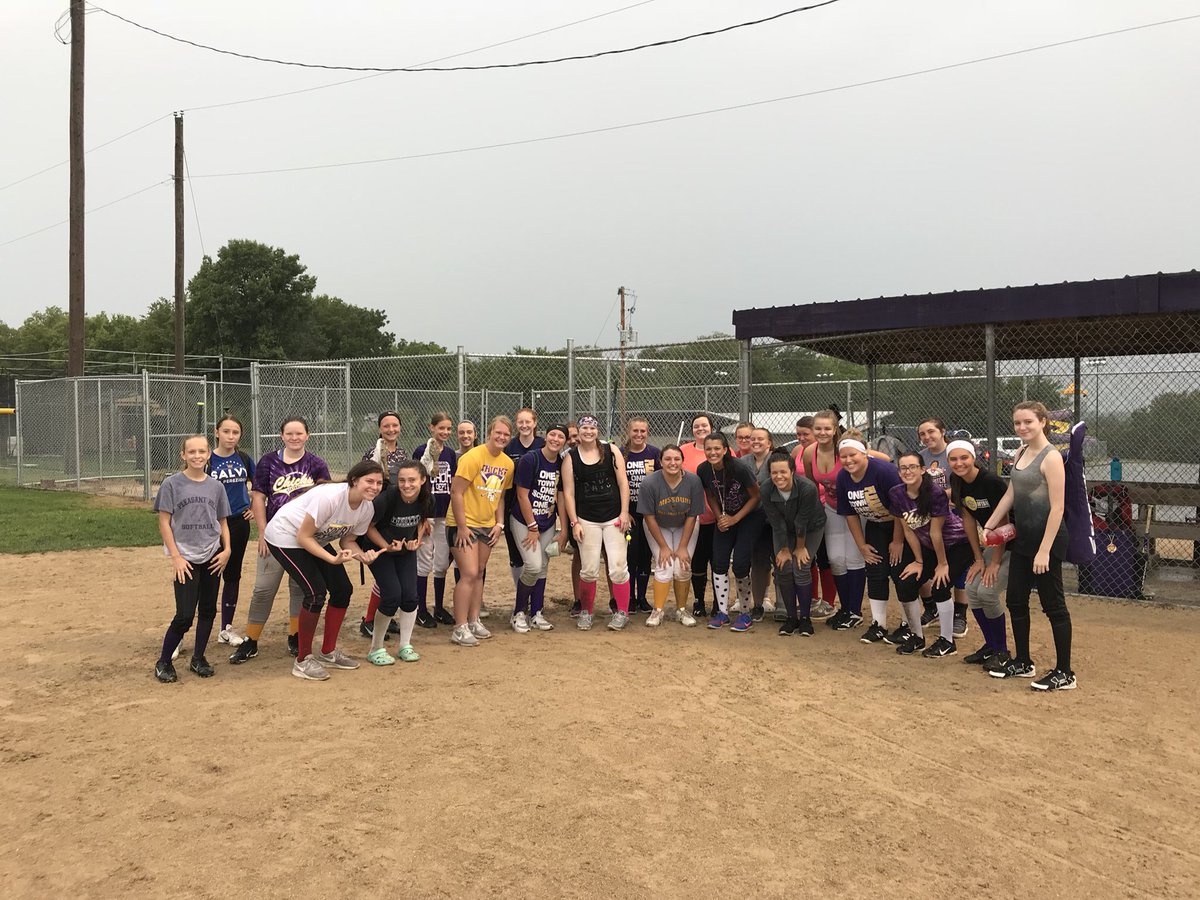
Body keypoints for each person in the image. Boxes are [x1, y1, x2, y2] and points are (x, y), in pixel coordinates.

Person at [264, 461, 389, 681]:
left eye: (379, 483)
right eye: (369, 481)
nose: (375, 487)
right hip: (285, 536)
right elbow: (303, 536)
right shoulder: (330, 497)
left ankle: (328, 652)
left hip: (315, 539)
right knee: (315, 593)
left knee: (342, 589)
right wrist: (332, 559)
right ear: (354, 480)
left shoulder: (366, 508)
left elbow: (348, 541)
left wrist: (363, 556)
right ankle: (302, 660)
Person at [983, 401, 1076, 691]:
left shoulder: (1051, 458)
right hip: (1023, 539)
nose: (1022, 428)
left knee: (1053, 605)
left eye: (1028, 422)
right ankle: (1023, 661)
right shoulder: (1021, 451)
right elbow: (1012, 492)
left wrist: (1045, 550)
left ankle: (1065, 673)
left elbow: (1058, 508)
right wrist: (990, 524)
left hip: (1047, 540)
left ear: (1043, 422)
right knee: (1015, 600)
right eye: (1017, 423)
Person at [230, 417, 330, 666]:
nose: (294, 438)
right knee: (264, 588)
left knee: (299, 588)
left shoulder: (315, 464)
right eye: (289, 433)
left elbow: (326, 500)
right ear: (281, 436)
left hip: (304, 537)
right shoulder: (269, 461)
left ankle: (295, 635)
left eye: (299, 433)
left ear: (308, 436)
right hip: (275, 536)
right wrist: (262, 532)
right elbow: (259, 497)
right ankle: (251, 641)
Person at [153, 435, 232, 682]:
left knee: (208, 610)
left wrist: (227, 550)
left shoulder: (216, 486)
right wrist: (175, 557)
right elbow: (164, 522)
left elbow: (222, 521)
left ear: (209, 454)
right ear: (183, 455)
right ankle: (163, 661)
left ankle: (198, 658)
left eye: (202, 451)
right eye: (191, 452)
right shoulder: (172, 484)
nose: (197, 456)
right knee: (185, 615)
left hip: (212, 554)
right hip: (185, 557)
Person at [887, 451, 973, 657]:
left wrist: (942, 565)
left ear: (923, 470)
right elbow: (908, 529)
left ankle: (947, 641)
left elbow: (936, 533)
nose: (908, 471)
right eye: (903, 468)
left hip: (958, 544)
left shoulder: (935, 493)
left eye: (912, 467)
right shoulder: (897, 493)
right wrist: (918, 561)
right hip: (929, 546)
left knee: (940, 585)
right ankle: (917, 637)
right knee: (905, 582)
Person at [446, 416, 515, 647]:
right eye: (498, 433)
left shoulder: (507, 463)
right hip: (464, 523)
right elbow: (456, 492)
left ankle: (474, 620)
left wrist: (499, 524)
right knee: (468, 573)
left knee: (479, 572)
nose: (502, 437)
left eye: (506, 434)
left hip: (487, 524)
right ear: (489, 433)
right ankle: (460, 626)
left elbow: (501, 496)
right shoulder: (472, 457)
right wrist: (462, 526)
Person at [561, 415, 633, 631]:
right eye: (584, 428)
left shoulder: (611, 451)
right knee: (589, 570)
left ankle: (622, 612)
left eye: (592, 428)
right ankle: (586, 611)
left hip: (613, 518)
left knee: (618, 568)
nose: (588, 432)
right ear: (578, 432)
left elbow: (623, 483)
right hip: (587, 519)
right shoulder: (570, 458)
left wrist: (624, 513)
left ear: (597, 431)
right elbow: (569, 494)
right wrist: (575, 523)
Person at [947, 439, 1012, 668]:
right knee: (972, 588)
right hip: (992, 544)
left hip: (1013, 544)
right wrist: (978, 559)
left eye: (964, 457)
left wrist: (994, 562)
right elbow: (968, 518)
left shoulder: (990, 482)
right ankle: (990, 646)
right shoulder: (956, 481)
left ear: (973, 457)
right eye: (953, 459)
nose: (959, 463)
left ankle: (1002, 651)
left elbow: (1004, 522)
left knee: (987, 591)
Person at [362, 460, 432, 666]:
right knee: (392, 596)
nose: (407, 485)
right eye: (402, 480)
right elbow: (367, 527)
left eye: (412, 480)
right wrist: (386, 545)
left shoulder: (427, 498)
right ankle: (375, 648)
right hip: (379, 549)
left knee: (410, 597)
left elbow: (422, 521)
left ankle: (405, 645)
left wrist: (416, 541)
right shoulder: (388, 498)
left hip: (404, 551)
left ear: (423, 480)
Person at [835, 435, 904, 638]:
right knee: (875, 571)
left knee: (900, 573)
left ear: (864, 453)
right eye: (844, 456)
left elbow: (901, 507)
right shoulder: (843, 477)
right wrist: (862, 545)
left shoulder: (884, 471)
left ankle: (908, 624)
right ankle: (879, 624)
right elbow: (849, 513)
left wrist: (898, 541)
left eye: (853, 455)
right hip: (875, 525)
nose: (848, 460)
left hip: (900, 524)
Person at [800, 409, 863, 630]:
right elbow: (810, 485)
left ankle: (855, 611)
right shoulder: (809, 452)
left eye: (827, 428)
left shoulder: (845, 448)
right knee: (836, 558)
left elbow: (877, 460)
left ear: (835, 429)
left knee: (854, 559)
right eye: (818, 428)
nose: (822, 432)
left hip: (856, 508)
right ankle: (845, 608)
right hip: (831, 508)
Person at [696, 433, 761, 631]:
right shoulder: (704, 469)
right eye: (709, 449)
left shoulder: (739, 468)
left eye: (717, 448)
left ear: (725, 450)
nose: (713, 452)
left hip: (749, 517)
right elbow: (710, 495)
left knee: (741, 563)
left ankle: (744, 612)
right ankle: (722, 612)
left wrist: (735, 519)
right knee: (719, 562)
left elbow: (756, 497)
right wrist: (720, 518)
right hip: (725, 517)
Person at [510, 424, 570, 633]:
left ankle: (537, 612)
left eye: (560, 436)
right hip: (524, 521)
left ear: (565, 441)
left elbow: (561, 497)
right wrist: (532, 526)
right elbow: (521, 495)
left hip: (547, 520)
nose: (555, 439)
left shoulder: (562, 463)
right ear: (545, 437)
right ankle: (518, 612)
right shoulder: (531, 459)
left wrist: (563, 530)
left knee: (543, 566)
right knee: (533, 566)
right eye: (552, 434)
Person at [638, 444, 706, 627]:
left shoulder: (693, 481)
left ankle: (681, 610)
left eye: (677, 459)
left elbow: (693, 516)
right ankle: (657, 610)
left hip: (685, 525)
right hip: (658, 526)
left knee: (683, 566)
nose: (672, 463)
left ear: (683, 461)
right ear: (660, 462)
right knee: (664, 564)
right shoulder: (650, 483)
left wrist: (683, 547)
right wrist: (664, 547)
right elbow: (649, 516)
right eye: (667, 459)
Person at [760, 450, 825, 636]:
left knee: (801, 565)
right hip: (784, 530)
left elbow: (802, 521)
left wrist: (799, 547)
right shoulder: (765, 489)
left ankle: (805, 619)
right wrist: (784, 549)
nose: (779, 476)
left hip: (811, 528)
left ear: (792, 471)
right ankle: (791, 617)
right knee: (784, 567)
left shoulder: (807, 488)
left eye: (783, 472)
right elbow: (776, 522)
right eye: (774, 472)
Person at [917, 416, 969, 639]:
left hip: (956, 514)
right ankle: (932, 608)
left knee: (957, 569)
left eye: (931, 432)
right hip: (929, 516)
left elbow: (963, 484)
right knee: (929, 565)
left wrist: (938, 496)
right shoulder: (921, 458)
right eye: (923, 434)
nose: (927, 437)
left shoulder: (954, 453)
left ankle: (960, 614)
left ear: (942, 431)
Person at [205, 415, 255, 647]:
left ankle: (226, 629)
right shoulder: (206, 460)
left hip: (237, 522)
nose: (231, 436)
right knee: (206, 576)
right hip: (210, 525)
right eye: (226, 431)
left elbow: (260, 486)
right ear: (217, 433)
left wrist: (254, 507)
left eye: (235, 432)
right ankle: (192, 628)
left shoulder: (244, 459)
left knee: (232, 575)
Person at [414, 412, 458, 627]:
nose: (445, 432)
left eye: (449, 429)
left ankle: (438, 608)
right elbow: (416, 484)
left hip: (445, 514)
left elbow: (454, 485)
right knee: (423, 563)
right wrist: (422, 517)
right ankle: (420, 610)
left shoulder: (450, 454)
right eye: (441, 428)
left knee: (441, 563)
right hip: (427, 515)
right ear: (431, 428)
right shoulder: (421, 451)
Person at [622, 416, 662, 614]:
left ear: (647, 432)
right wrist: (625, 511)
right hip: (629, 513)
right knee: (631, 554)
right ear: (628, 432)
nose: (638, 435)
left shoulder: (654, 453)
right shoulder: (621, 454)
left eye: (642, 431)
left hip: (649, 514)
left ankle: (642, 597)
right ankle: (628, 597)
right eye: (635, 431)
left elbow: (662, 482)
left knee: (646, 555)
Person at [679, 414, 717, 617]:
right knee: (697, 562)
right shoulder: (684, 451)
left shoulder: (722, 450)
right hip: (692, 518)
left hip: (718, 516)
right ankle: (699, 601)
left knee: (717, 561)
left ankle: (719, 603)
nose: (700, 429)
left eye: (704, 425)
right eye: (696, 426)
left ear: (711, 428)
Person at [504, 408, 545, 593]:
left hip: (539, 506)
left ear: (535, 423)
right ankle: (521, 595)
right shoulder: (510, 447)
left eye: (528, 421)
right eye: (520, 422)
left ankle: (534, 599)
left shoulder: (543, 444)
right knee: (516, 554)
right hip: (513, 506)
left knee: (537, 557)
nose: (524, 425)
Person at [745, 426, 777, 620]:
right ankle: (757, 605)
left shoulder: (776, 459)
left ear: (769, 443)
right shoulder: (743, 462)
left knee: (782, 560)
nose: (756, 442)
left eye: (760, 439)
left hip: (777, 518)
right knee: (758, 562)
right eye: (752, 439)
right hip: (753, 519)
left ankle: (782, 604)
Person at [363, 411, 408, 483]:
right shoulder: (372, 453)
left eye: (395, 425)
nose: (391, 430)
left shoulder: (402, 453)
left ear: (400, 427)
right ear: (380, 429)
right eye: (386, 426)